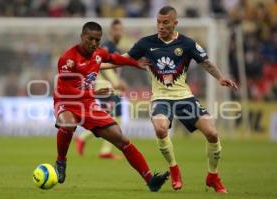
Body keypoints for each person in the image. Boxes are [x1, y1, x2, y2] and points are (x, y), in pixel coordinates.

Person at [117, 6, 238, 193]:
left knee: (212, 134)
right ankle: (174, 169)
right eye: (158, 22)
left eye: (165, 22)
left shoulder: (187, 43)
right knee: (160, 128)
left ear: (175, 23)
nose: (161, 26)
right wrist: (96, 65)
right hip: (161, 98)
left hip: (185, 98)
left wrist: (221, 77)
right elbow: (120, 59)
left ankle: (212, 176)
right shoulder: (145, 43)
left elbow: (205, 62)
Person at [53, 21, 169, 192]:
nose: (93, 43)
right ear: (82, 37)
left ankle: (150, 179)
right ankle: (61, 161)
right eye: (90, 39)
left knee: (121, 139)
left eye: (97, 40)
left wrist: (135, 63)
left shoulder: (98, 53)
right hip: (66, 101)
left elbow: (114, 58)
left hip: (88, 104)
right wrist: (94, 92)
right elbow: (70, 90)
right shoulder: (67, 60)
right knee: (68, 125)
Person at [75, 19, 128, 160]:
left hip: (111, 87)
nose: (119, 32)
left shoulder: (116, 48)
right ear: (111, 31)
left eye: (120, 29)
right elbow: (100, 64)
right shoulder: (106, 46)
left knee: (114, 119)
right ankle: (83, 138)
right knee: (109, 121)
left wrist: (119, 81)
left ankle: (103, 149)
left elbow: (114, 69)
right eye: (116, 29)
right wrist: (114, 82)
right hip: (105, 87)